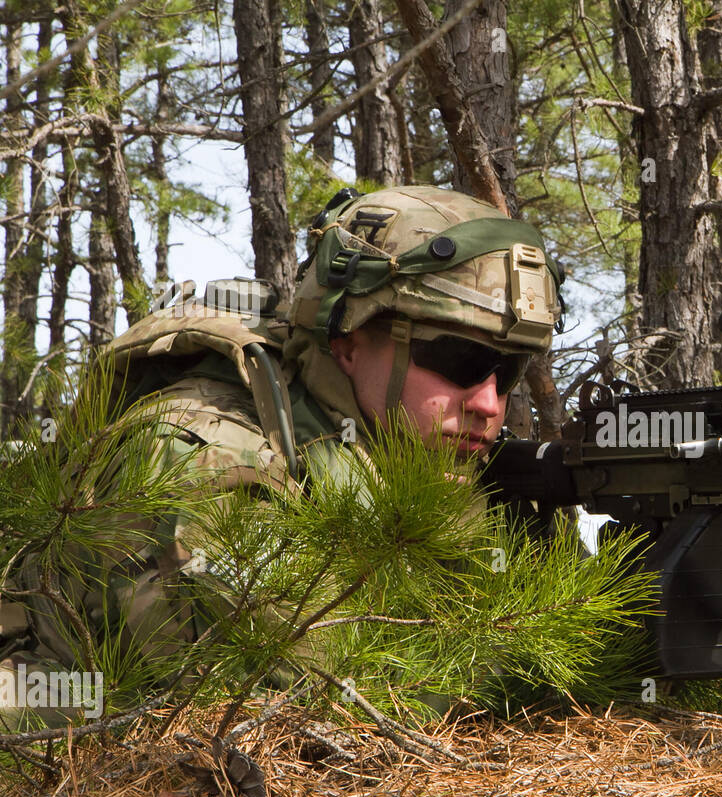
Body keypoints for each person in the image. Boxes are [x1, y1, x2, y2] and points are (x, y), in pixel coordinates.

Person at [0, 184, 564, 728]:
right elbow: (305, 691)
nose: (489, 402)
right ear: (347, 341)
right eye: (459, 360)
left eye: (508, 371)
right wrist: (531, 662)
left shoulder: (423, 460)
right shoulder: (207, 450)